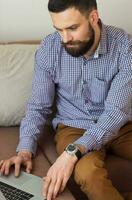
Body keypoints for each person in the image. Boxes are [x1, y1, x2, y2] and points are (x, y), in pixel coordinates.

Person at [0, 0, 132, 200]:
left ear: (93, 17)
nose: (65, 39)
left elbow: (115, 113)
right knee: (88, 174)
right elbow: (38, 107)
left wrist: (72, 153)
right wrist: (25, 150)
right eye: (59, 29)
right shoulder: (49, 49)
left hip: (122, 126)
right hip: (74, 126)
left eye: (72, 28)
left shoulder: (124, 48)